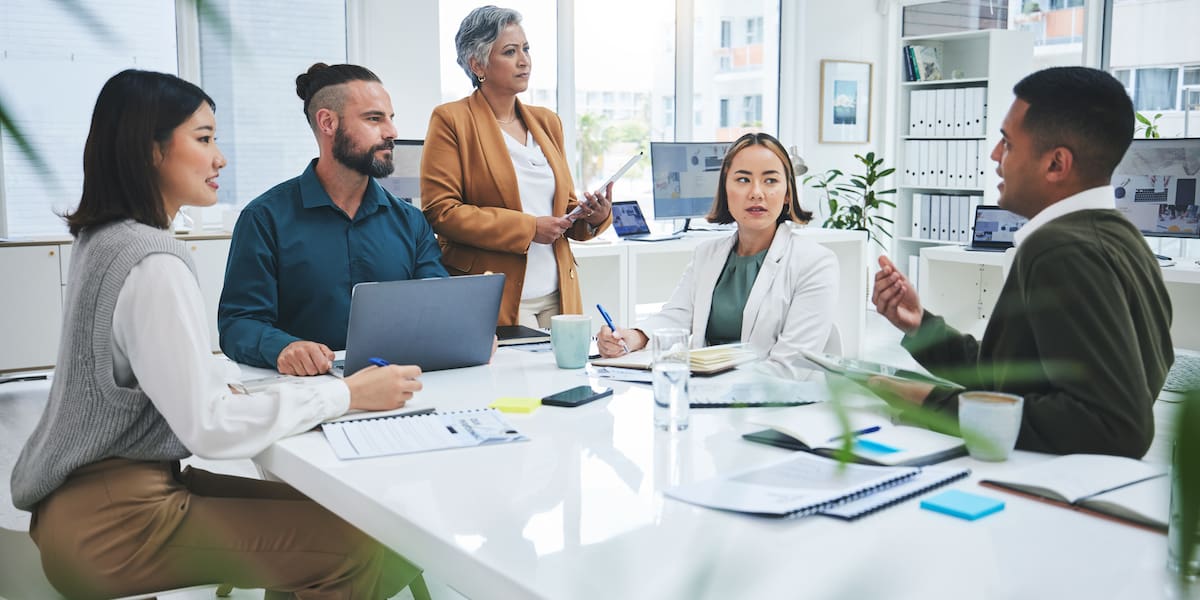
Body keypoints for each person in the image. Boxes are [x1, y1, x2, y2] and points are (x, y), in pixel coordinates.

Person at [10, 69, 424, 598]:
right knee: (361, 548)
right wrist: (345, 393)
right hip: (117, 522)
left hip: (89, 499)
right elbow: (209, 428)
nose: (220, 158)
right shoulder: (154, 259)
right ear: (151, 151)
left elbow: (151, 378)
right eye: (204, 139)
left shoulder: (105, 239)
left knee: (357, 521)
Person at [871, 67, 1173, 458]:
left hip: (1046, 487)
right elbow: (1014, 376)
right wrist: (920, 326)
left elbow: (1114, 426)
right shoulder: (1121, 237)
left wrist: (934, 403)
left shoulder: (1061, 250)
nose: (995, 155)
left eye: (1008, 144)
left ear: (1056, 164)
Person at [219, 63, 447, 375]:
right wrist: (282, 347)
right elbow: (238, 325)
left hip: (398, 383)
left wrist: (461, 332)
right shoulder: (264, 218)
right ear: (328, 122)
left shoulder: (411, 222)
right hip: (306, 393)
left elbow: (439, 305)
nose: (392, 132)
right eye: (374, 118)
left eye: (390, 119)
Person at [422, 5, 612, 328]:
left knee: (567, 378)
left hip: (558, 293)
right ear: (477, 64)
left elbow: (562, 210)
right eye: (510, 52)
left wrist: (594, 216)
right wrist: (528, 228)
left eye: (525, 48)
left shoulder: (547, 122)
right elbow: (441, 212)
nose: (524, 60)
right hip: (498, 295)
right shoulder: (451, 120)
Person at [597, 132, 840, 379]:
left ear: (787, 193)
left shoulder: (815, 262)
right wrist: (633, 337)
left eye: (770, 181)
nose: (756, 193)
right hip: (703, 396)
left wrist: (713, 388)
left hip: (774, 403)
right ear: (725, 188)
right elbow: (676, 316)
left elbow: (791, 366)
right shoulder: (707, 253)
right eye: (743, 179)